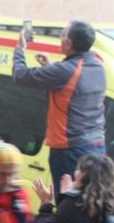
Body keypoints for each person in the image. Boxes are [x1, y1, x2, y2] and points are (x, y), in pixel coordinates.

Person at [13, 20, 107, 199]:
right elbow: (74, 91)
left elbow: (20, 75)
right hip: (96, 148)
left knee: (67, 203)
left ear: (69, 44)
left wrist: (20, 48)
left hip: (69, 151)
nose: (60, 38)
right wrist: (50, 68)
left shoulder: (65, 71)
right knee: (90, 201)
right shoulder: (98, 65)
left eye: (62, 35)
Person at [34, 152, 114, 223]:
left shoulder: (76, 204)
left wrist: (46, 204)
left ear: (84, 175)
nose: (75, 173)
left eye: (78, 170)